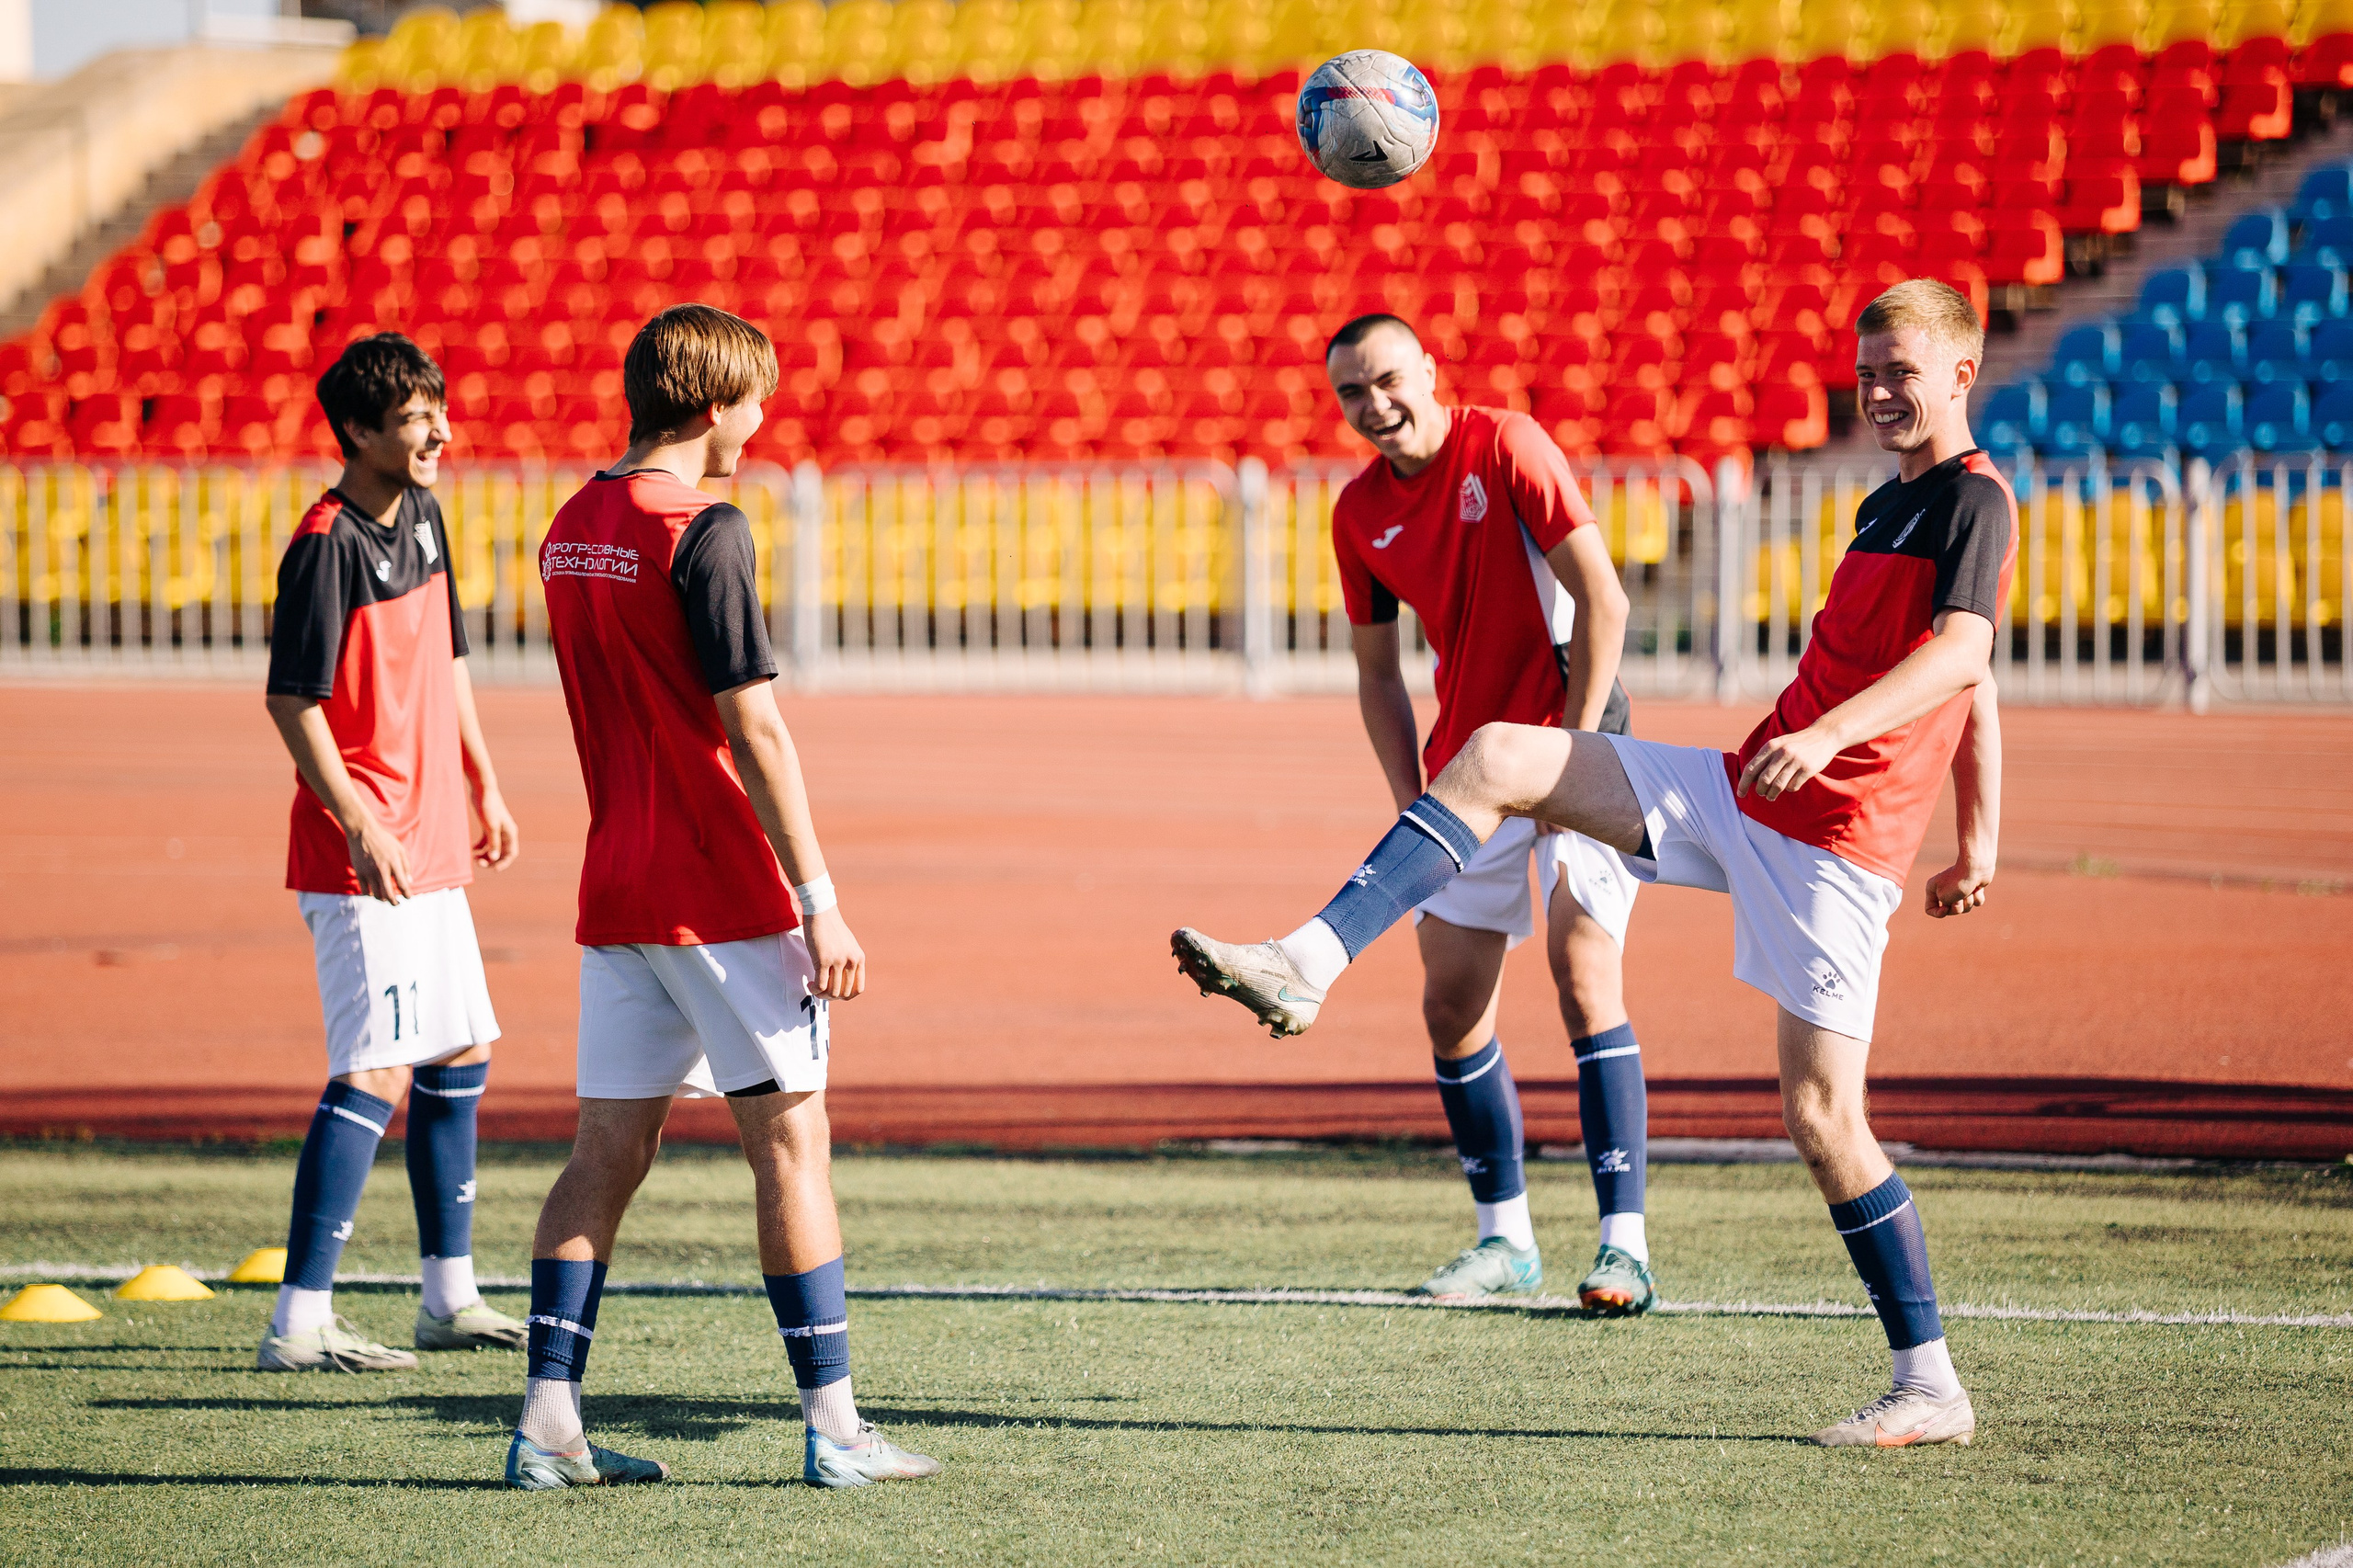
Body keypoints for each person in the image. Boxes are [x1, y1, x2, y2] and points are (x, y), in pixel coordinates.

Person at [1174, 279, 2011, 1448]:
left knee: (1822, 1117)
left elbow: (1966, 658)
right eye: (1866, 368)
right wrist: (1974, 833)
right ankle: (1306, 959)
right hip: (1748, 786)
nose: (1874, 389)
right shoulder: (1886, 507)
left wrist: (1854, 755)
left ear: (1960, 374)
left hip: (1837, 843)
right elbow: (1964, 678)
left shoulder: (1976, 501)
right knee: (1496, 753)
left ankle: (1930, 1382)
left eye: (1899, 371)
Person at [506, 303, 940, 1491]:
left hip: (617, 887)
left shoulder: (572, 520)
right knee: (793, 1146)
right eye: (755, 404)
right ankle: (839, 1432)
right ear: (711, 406)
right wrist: (821, 894)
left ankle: (548, 1423)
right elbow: (754, 724)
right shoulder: (704, 528)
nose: (761, 425)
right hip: (720, 887)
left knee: (606, 1149)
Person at [1313, 312, 1660, 1315]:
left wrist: (1576, 748)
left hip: (1579, 742)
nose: (1374, 406)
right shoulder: (1356, 514)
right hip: (1468, 771)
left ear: (1429, 370)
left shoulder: (1506, 442)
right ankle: (1504, 1238)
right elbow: (1377, 677)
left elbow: (1603, 601)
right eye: (1350, 394)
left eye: (1386, 380)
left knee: (1582, 971)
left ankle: (1621, 1246)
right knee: (1449, 1003)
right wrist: (1408, 805)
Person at [258, 333, 526, 1372]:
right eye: (416, 418)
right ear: (360, 431)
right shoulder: (325, 542)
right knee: (371, 1069)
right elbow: (292, 700)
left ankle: (447, 1296)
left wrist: (483, 779)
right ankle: (298, 1319)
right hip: (360, 854)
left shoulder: (421, 513)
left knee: (458, 1052)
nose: (439, 432)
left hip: (431, 841)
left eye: (438, 411)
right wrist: (362, 825)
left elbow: (448, 653)